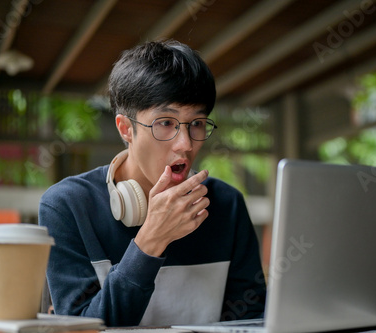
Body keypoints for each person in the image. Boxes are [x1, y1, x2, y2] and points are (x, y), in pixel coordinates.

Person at [38, 40, 266, 327]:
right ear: (126, 128)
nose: (185, 145)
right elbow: (81, 329)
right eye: (166, 123)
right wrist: (149, 244)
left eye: (197, 123)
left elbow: (250, 321)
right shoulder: (67, 206)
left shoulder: (227, 206)